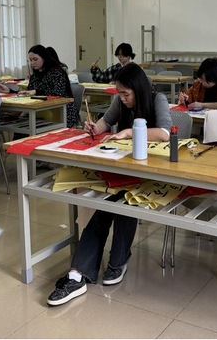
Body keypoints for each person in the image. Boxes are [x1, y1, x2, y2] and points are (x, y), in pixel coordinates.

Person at [46, 63, 171, 306]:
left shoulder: (158, 99)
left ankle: (92, 268)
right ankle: (85, 271)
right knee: (111, 203)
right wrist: (95, 127)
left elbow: (164, 133)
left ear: (138, 89)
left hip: (153, 173)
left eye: (126, 93)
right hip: (123, 169)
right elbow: (104, 123)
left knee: (124, 201)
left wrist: (128, 132)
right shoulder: (120, 101)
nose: (122, 98)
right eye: (119, 93)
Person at [0, 45, 78, 127]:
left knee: (27, 123)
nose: (32, 63)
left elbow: (58, 93)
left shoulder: (57, 72)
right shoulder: (35, 76)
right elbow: (28, 93)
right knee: (23, 125)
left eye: (35, 59)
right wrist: (10, 91)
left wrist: (36, 92)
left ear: (44, 58)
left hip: (62, 111)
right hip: (41, 109)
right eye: (30, 60)